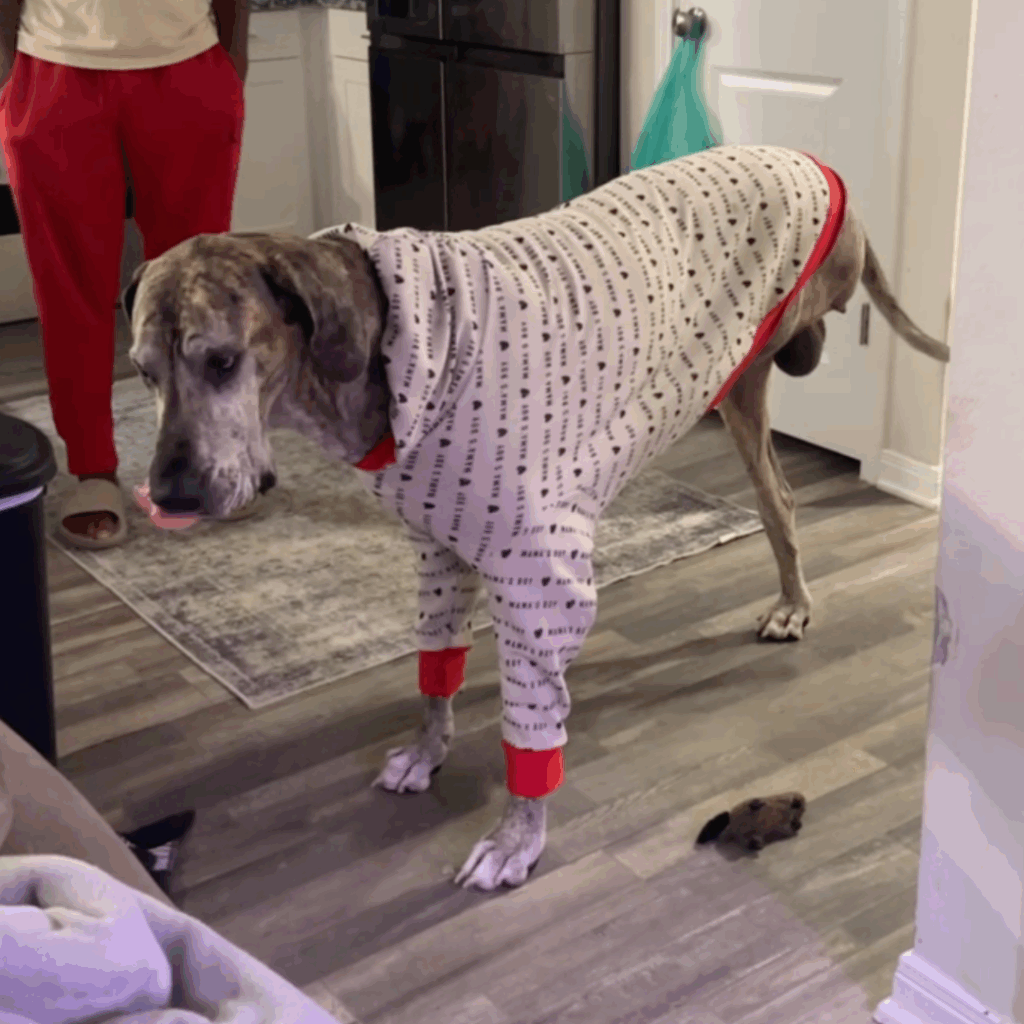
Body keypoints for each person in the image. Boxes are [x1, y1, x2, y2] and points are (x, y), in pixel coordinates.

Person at [0, 0, 249, 549]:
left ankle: (200, 454)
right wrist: (11, 74)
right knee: (69, 288)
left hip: (189, 65)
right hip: (53, 65)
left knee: (197, 292)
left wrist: (232, 65)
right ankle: (92, 470)